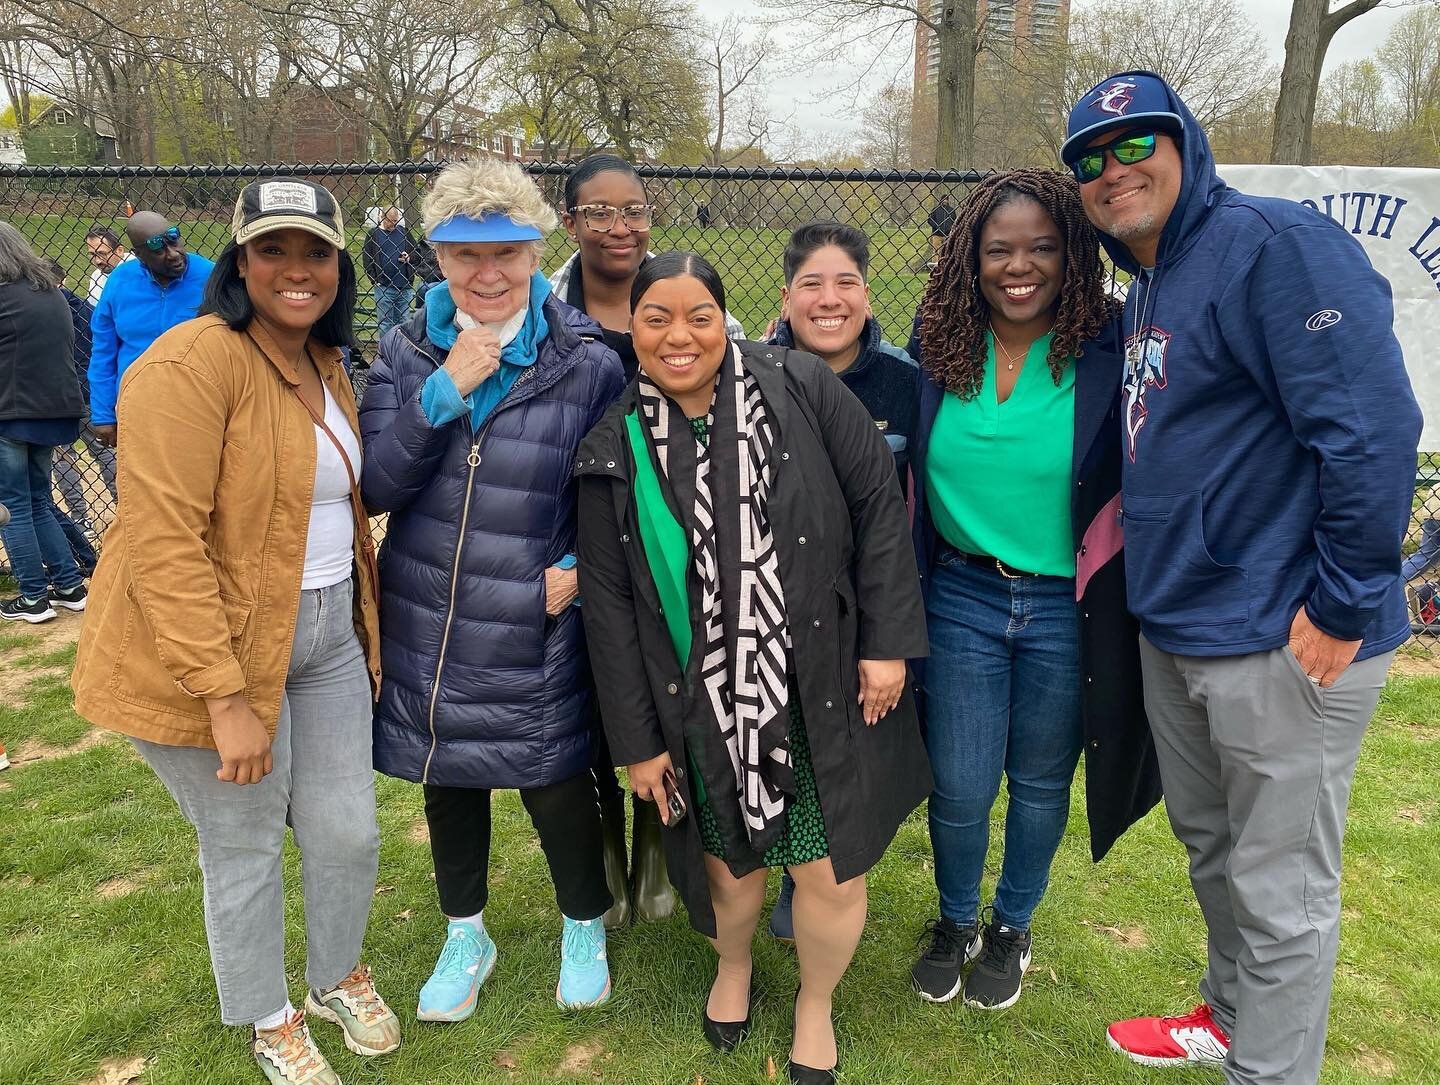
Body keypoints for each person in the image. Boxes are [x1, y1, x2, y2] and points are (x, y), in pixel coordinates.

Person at [1061, 71, 1421, 1083]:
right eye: (1089, 158)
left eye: (1135, 144)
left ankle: (1268, 1069)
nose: (1112, 170)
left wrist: (1344, 600)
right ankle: (1226, 1015)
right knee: (1215, 848)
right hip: (1181, 624)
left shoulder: (1273, 245)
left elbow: (1373, 429)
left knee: (1281, 886)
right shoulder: (1153, 280)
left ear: (1185, 142)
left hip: (1282, 632)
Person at [576, 252, 930, 1084]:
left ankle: (815, 1004)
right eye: (656, 316)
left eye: (698, 314)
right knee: (728, 865)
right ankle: (731, 968)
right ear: (633, 327)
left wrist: (887, 642)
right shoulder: (613, 447)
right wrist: (636, 742)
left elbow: (880, 501)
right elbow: (613, 612)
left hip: (812, 681)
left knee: (823, 865)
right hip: (696, 701)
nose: (678, 334)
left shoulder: (801, 386)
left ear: (723, 319)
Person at [72, 178, 396, 1085]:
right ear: (238, 260)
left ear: (339, 264)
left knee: (348, 831)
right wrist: (224, 696)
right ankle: (269, 1016)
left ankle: (336, 974)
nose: (297, 271)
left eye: (315, 254)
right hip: (213, 649)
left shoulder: (326, 360)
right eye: (273, 251)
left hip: (325, 632)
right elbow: (163, 543)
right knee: (246, 840)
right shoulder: (189, 364)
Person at [360, 156, 625, 1020]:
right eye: (466, 254)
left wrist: (583, 572)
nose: (487, 274)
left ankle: (583, 921)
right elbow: (379, 486)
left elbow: (619, 492)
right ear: (435, 257)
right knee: (451, 781)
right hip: (432, 614)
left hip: (533, 611)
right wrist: (443, 392)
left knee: (555, 780)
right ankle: (465, 931)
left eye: (506, 252)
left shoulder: (584, 358)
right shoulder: (405, 352)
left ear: (535, 249)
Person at [903, 168, 1163, 1011]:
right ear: (971, 259)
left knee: (1044, 781)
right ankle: (954, 920)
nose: (1021, 266)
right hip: (962, 595)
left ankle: (1011, 926)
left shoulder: (1111, 346)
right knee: (964, 782)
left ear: (1073, 255)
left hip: (1065, 604)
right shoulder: (939, 344)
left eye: (1043, 248)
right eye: (1000, 249)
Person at [548, 152, 743, 929]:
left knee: (666, 685)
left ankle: (661, 851)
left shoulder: (680, 300)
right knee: (591, 700)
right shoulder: (545, 317)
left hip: (661, 537)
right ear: (570, 223)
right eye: (598, 212)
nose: (618, 225)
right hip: (569, 535)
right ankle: (603, 855)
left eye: (632, 208)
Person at [762, 220, 921, 941]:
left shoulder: (905, 381)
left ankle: (830, 874)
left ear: (866, 289)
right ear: (788, 295)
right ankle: (787, 871)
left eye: (846, 282)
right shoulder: (748, 374)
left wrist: (889, 635)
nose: (830, 300)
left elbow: (904, 516)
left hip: (865, 612)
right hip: (773, 608)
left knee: (850, 758)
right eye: (812, 285)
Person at [0, 223, 88, 623]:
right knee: (37, 501)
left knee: (11, 505)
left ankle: (33, 598)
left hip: (12, 413)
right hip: (53, 410)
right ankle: (70, 586)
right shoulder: (48, 292)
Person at [88, 211, 215, 446]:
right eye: (158, 250)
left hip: (199, 404)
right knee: (140, 479)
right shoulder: (119, 282)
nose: (173, 254)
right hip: (138, 405)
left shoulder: (210, 276)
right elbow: (104, 351)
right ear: (138, 255)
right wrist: (103, 413)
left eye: (174, 240)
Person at [47, 260, 117, 535]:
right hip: (87, 391)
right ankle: (122, 507)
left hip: (59, 395)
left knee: (64, 458)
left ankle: (80, 517)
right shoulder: (86, 309)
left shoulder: (42, 312)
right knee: (101, 453)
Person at [361, 205, 417, 338]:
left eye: (395, 220)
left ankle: (402, 350)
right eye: (390, 220)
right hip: (384, 286)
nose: (393, 224)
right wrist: (375, 280)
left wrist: (409, 257)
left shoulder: (404, 232)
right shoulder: (373, 234)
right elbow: (367, 258)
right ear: (382, 217)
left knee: (404, 322)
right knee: (386, 323)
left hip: (404, 285)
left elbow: (416, 252)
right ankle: (386, 352)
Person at [84, 224, 132, 305]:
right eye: (92, 254)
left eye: (102, 254)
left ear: (119, 251)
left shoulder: (139, 270)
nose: (98, 261)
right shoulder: (96, 275)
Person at [926, 193, 955, 266]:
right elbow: (930, 220)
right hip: (937, 234)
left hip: (947, 235)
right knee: (936, 251)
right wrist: (937, 226)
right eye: (943, 199)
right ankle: (935, 266)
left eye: (946, 199)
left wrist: (950, 229)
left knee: (947, 250)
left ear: (948, 201)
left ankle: (945, 265)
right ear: (941, 200)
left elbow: (954, 221)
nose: (945, 201)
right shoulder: (936, 209)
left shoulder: (951, 210)